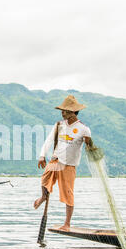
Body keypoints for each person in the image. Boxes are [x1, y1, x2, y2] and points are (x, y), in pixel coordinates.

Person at [33, 95, 93, 231]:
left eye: (65, 111)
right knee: (44, 179)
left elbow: (90, 147)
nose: (62, 113)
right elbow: (48, 141)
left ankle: (67, 224)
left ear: (73, 112)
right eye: (62, 110)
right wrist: (42, 155)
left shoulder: (84, 129)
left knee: (68, 193)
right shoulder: (59, 125)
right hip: (56, 160)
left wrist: (89, 144)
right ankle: (43, 196)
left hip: (69, 165)